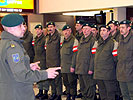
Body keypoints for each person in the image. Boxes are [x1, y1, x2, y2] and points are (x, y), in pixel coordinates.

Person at [0, 13, 61, 100]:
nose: (24, 28)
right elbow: (22, 75)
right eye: (20, 26)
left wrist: (27, 66)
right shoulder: (13, 47)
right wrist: (45, 74)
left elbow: (7, 68)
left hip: (8, 93)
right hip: (18, 93)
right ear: (11, 29)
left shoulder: (3, 43)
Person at [93, 25, 118, 100]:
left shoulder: (113, 43)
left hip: (108, 74)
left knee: (110, 93)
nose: (102, 32)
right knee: (102, 93)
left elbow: (116, 59)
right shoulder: (97, 43)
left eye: (104, 30)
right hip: (98, 73)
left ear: (109, 32)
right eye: (101, 30)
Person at [75, 22, 96, 100]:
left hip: (87, 68)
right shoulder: (81, 39)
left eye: (87, 29)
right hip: (80, 67)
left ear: (90, 30)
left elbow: (94, 56)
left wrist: (91, 68)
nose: (85, 30)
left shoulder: (93, 40)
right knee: (83, 87)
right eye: (83, 29)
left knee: (89, 86)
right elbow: (78, 54)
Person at [61, 25, 78, 100]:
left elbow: (75, 55)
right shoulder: (62, 40)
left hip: (70, 65)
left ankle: (73, 96)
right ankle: (68, 95)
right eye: (64, 31)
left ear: (70, 31)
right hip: (63, 65)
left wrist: (73, 66)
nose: (66, 32)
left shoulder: (74, 40)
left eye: (67, 30)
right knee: (66, 82)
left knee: (72, 82)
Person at [116, 20, 133, 100]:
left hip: (130, 73)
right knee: (124, 94)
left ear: (128, 28)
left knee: (131, 94)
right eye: (120, 27)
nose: (121, 29)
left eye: (123, 27)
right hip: (121, 72)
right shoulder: (120, 39)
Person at [46, 21, 62, 100]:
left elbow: (61, 50)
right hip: (49, 62)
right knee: (51, 80)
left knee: (57, 80)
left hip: (56, 61)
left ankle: (59, 94)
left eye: (51, 27)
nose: (50, 29)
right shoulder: (48, 37)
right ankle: (53, 93)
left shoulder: (59, 36)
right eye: (48, 27)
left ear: (55, 27)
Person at [33, 24, 49, 99]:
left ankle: (45, 92)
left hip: (43, 60)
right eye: (36, 29)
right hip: (37, 59)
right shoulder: (35, 39)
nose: (37, 31)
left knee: (44, 77)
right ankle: (40, 91)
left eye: (39, 29)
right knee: (38, 76)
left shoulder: (45, 39)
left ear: (42, 30)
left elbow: (46, 51)